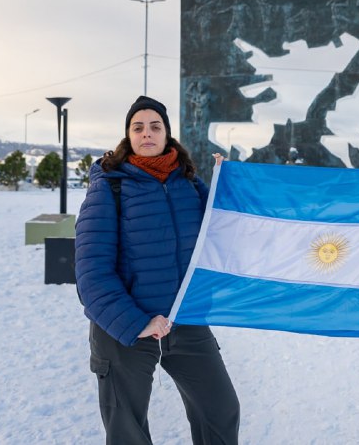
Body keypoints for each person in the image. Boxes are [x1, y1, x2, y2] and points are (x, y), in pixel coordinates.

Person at [75, 96, 240, 444]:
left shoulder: (190, 185)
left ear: (167, 134)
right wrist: (138, 323)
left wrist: (229, 181)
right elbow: (91, 274)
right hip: (124, 327)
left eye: (155, 126)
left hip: (184, 319)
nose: (146, 133)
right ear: (128, 136)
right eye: (138, 127)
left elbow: (226, 231)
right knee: (127, 429)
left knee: (221, 411)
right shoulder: (109, 186)